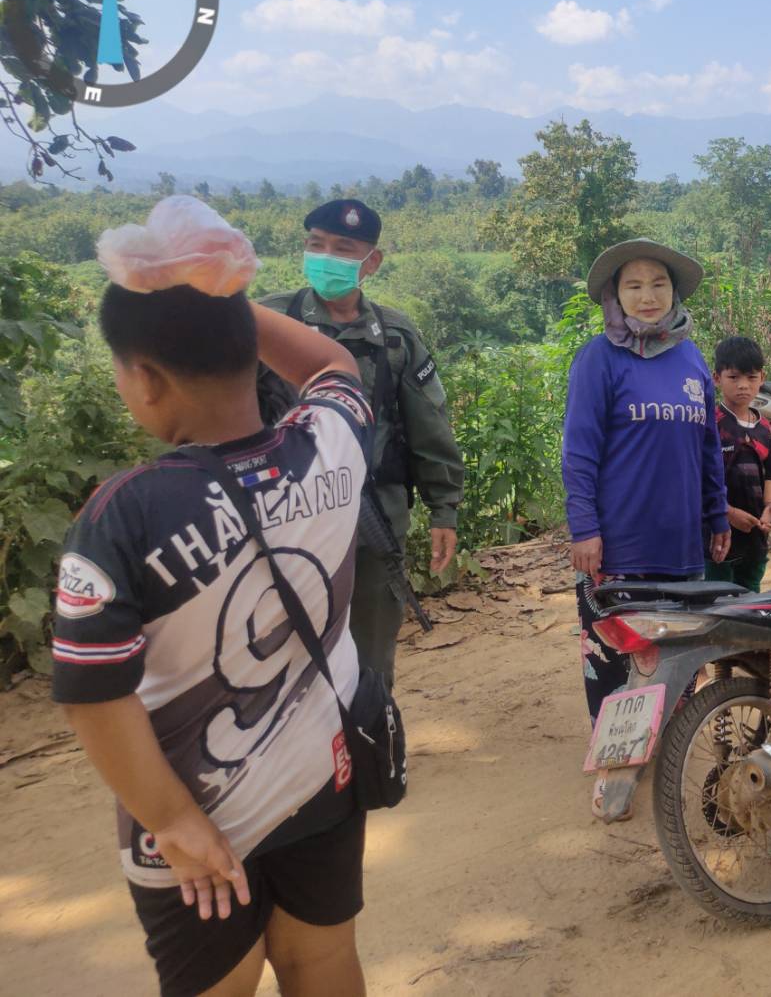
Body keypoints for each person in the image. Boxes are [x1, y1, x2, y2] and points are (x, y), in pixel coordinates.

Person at [53, 197, 374, 997]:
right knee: (322, 961)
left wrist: (171, 821)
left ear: (146, 379)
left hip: (197, 819)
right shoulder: (330, 445)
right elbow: (333, 366)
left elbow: (95, 694)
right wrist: (222, 299)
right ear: (244, 348)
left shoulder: (122, 513)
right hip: (323, 776)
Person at [258, 199, 464, 686]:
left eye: (343, 248)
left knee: (370, 660)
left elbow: (429, 426)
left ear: (372, 261)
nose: (326, 257)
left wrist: (444, 510)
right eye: (317, 245)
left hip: (372, 519)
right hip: (287, 519)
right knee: (284, 659)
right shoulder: (269, 322)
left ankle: (372, 733)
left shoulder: (394, 335)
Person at [561, 239, 731, 814]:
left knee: (675, 655)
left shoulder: (692, 359)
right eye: (633, 285)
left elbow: (708, 447)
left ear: (674, 292)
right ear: (615, 295)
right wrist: (584, 528)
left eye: (658, 283)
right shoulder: (598, 360)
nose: (648, 296)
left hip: (681, 542)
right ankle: (614, 770)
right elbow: (579, 452)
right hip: (618, 545)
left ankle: (662, 749)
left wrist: (716, 513)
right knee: (614, 659)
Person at [704, 336, 771, 593]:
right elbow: (698, 478)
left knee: (750, 597)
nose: (743, 385)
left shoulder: (764, 428)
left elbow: (770, 473)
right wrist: (727, 513)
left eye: (751, 377)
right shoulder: (711, 424)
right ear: (717, 378)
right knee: (717, 600)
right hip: (717, 537)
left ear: (762, 378)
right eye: (734, 377)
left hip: (755, 538)